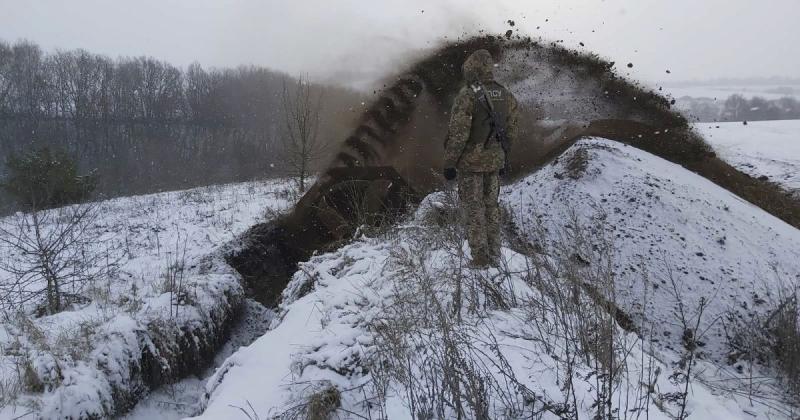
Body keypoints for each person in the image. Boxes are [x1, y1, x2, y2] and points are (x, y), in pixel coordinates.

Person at [443, 49, 519, 267]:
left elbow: (459, 133)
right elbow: (512, 131)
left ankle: (480, 257)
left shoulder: (468, 94)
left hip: (471, 163)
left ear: (471, 69)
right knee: (491, 208)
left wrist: (449, 162)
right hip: (495, 162)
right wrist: (502, 156)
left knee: (474, 208)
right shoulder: (506, 95)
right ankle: (495, 255)